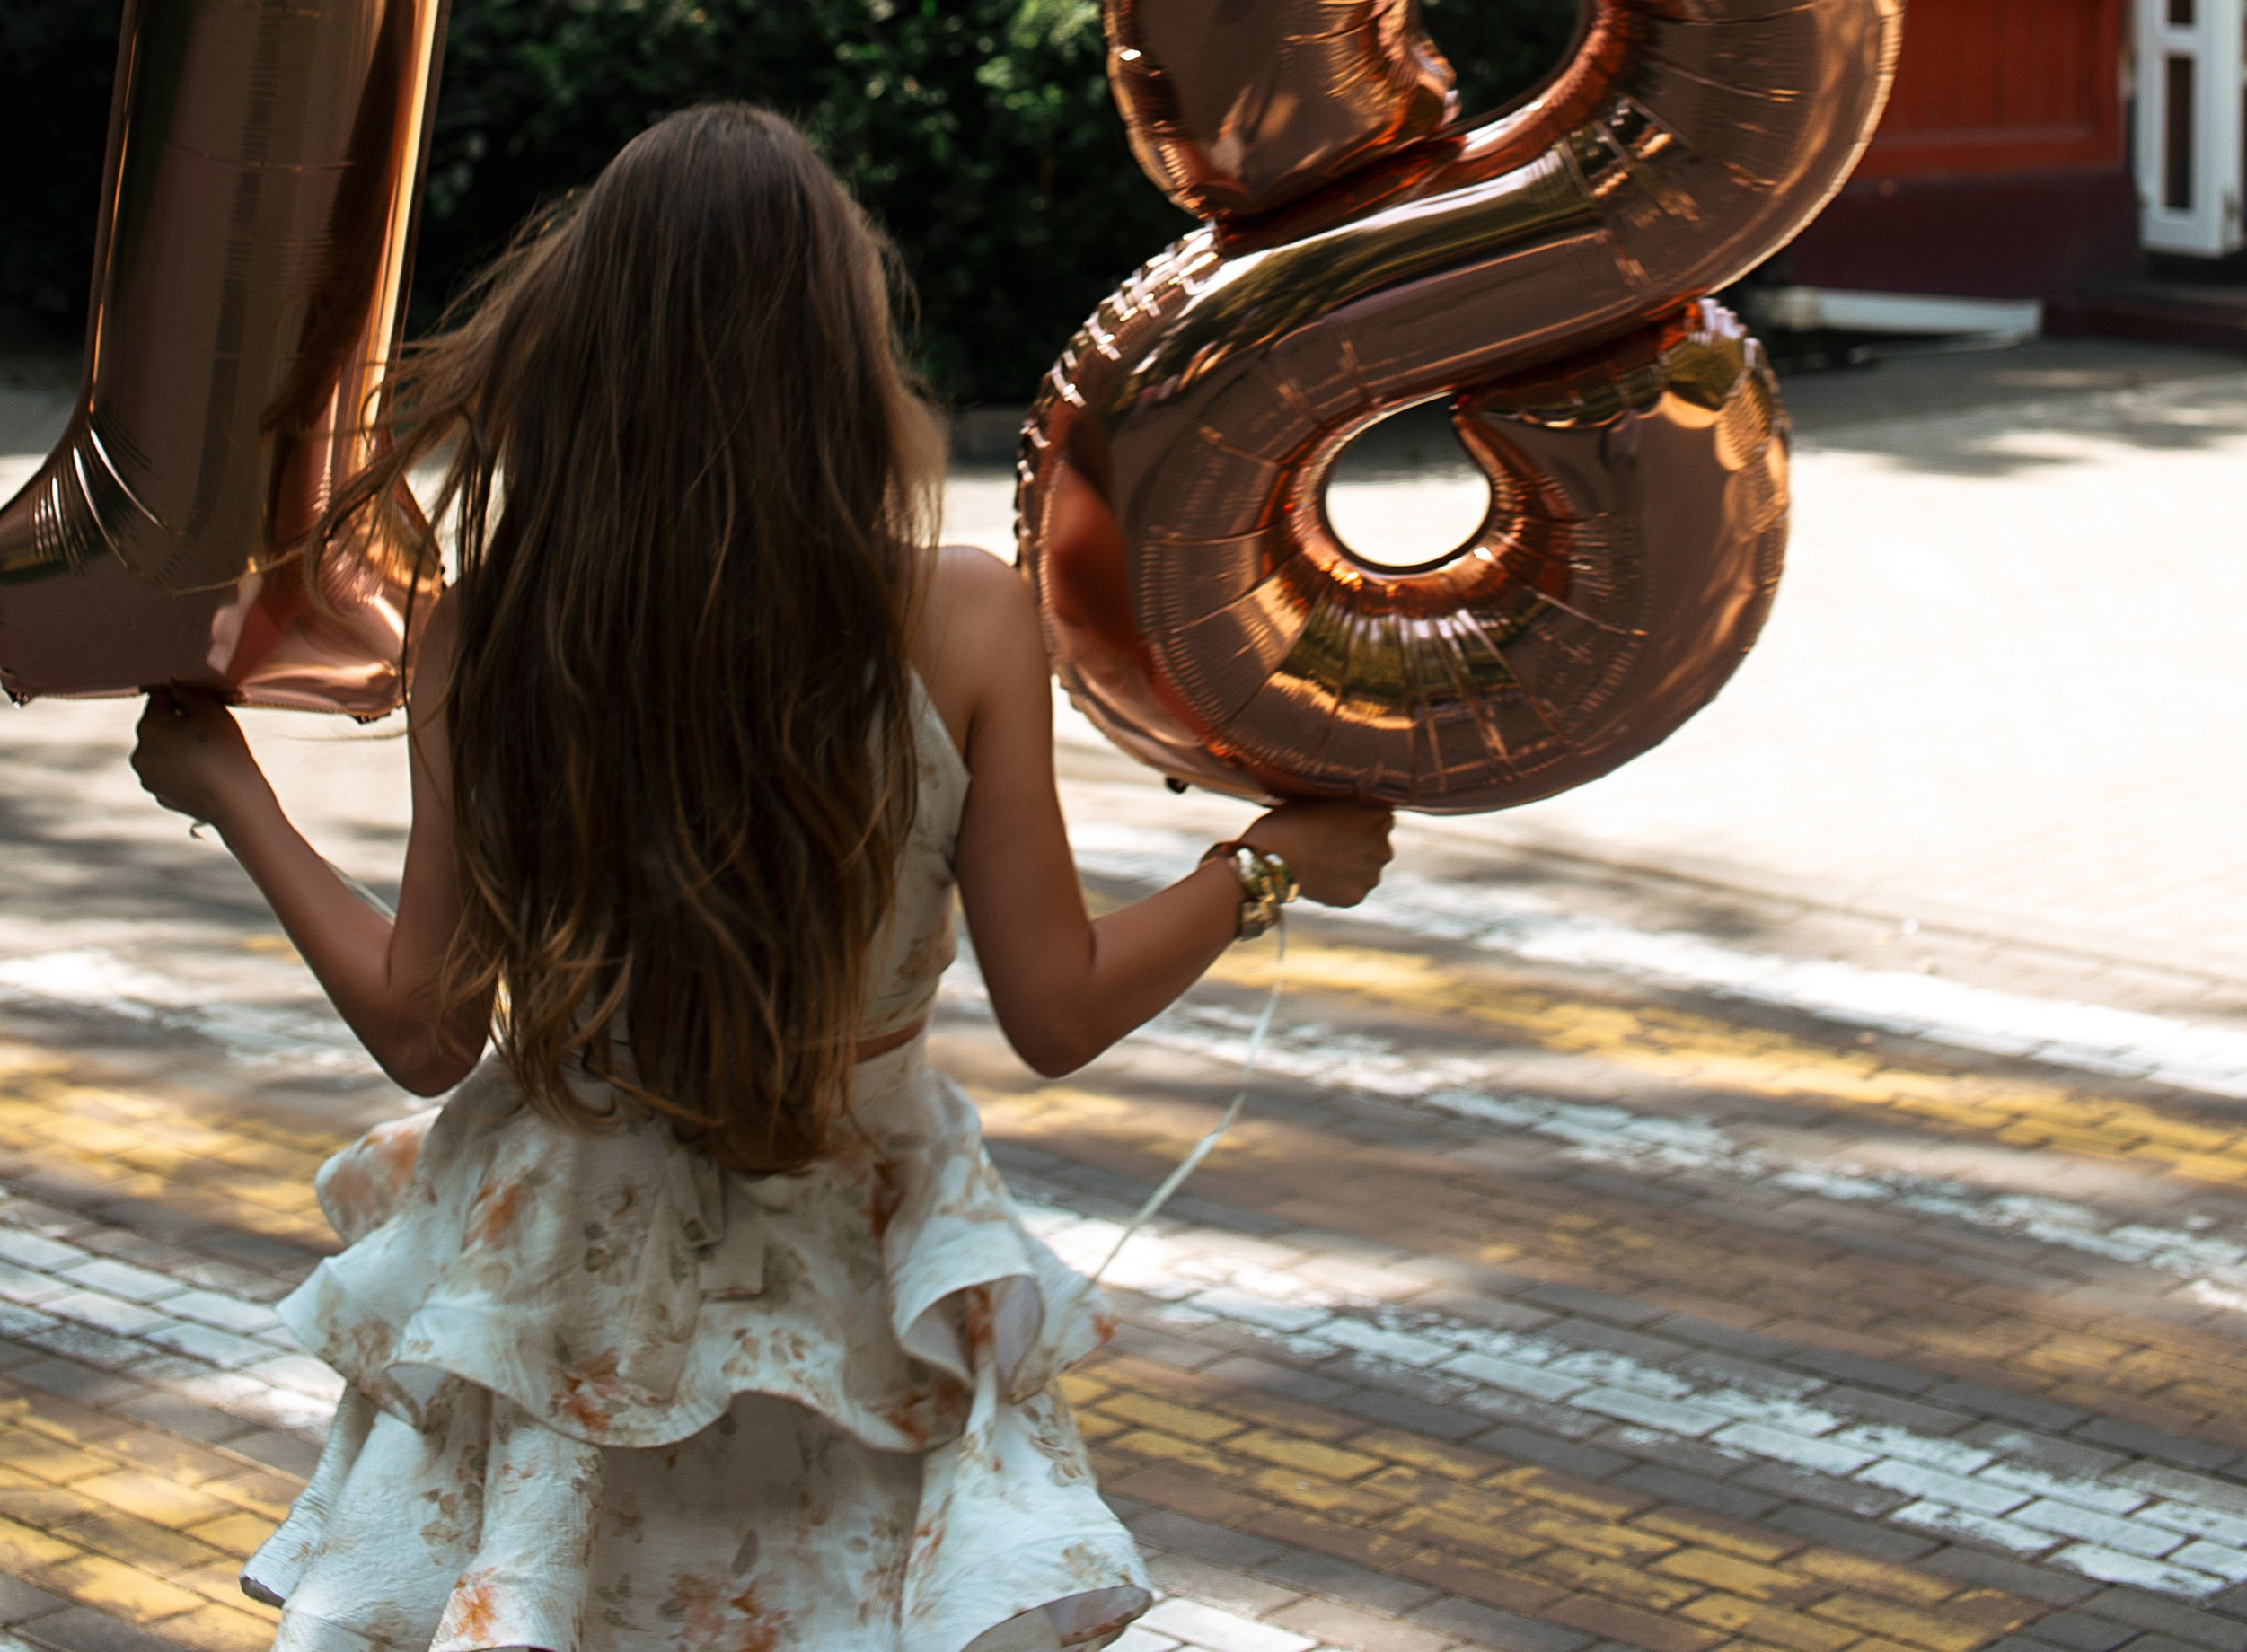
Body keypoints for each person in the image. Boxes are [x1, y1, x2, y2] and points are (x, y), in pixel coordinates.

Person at [131, 102, 1393, 1652]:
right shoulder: (962, 619)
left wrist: (231, 792)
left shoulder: (490, 628)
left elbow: (426, 1032)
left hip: (563, 1281)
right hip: (851, 1280)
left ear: (583, 344)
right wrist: (1264, 866)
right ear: (838, 356)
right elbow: (1058, 1011)